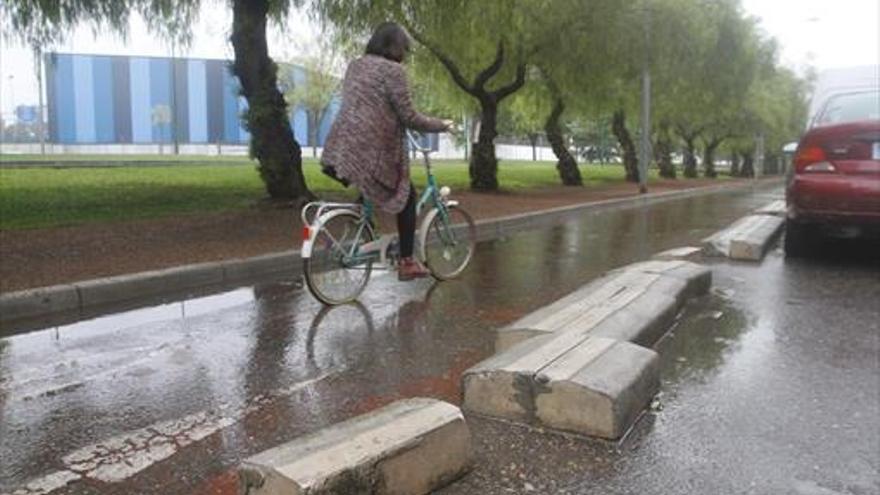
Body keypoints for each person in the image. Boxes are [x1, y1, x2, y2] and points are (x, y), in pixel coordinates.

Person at [321, 22, 453, 281]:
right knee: (407, 196)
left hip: (341, 148)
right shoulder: (394, 71)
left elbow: (372, 106)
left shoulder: (355, 65)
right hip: (372, 150)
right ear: (394, 46)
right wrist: (442, 125)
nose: (405, 53)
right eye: (404, 48)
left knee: (370, 188)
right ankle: (406, 262)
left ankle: (361, 227)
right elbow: (409, 116)